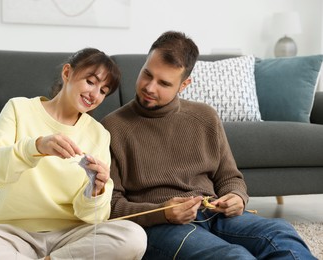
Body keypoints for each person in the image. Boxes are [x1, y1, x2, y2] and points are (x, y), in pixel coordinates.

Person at [101, 31, 316, 259]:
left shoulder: (205, 117)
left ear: (184, 85)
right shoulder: (113, 127)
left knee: (281, 233)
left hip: (214, 214)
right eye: (147, 74)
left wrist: (236, 197)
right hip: (160, 225)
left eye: (164, 83)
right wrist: (163, 212)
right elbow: (110, 205)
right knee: (234, 256)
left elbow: (230, 177)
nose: (150, 87)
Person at [0, 48, 147, 260]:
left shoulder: (99, 134)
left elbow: (94, 216)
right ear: (67, 73)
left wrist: (96, 192)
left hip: (72, 237)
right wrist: (36, 147)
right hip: (13, 233)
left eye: (104, 91)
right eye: (91, 82)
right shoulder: (18, 109)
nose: (95, 95)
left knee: (133, 237)